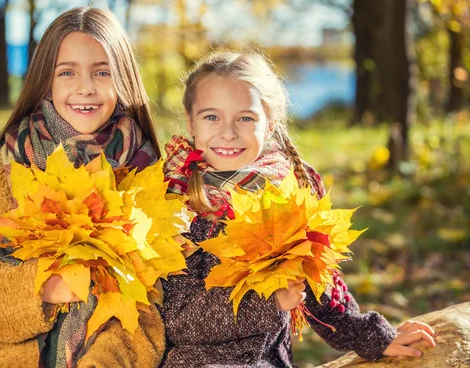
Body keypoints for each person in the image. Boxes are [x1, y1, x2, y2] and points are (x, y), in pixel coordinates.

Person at [160, 51, 436, 367]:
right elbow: (176, 319)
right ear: (190, 121)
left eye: (245, 118)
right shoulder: (176, 204)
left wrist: (377, 338)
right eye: (212, 117)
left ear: (271, 123)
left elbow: (322, 292)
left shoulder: (286, 197)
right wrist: (269, 303)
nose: (228, 132)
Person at [0, 7, 165, 368]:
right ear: (46, 80)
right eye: (67, 72)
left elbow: (150, 314)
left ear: (123, 78)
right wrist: (42, 289)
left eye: (102, 71)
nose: (85, 87)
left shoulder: (144, 175)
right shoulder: (6, 170)